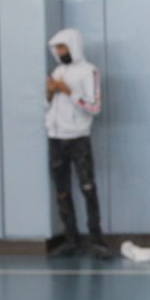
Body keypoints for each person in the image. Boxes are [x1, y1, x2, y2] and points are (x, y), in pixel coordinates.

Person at [45, 27, 111, 259]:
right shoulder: (57, 70)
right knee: (61, 191)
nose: (60, 51)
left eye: (63, 47)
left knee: (87, 188)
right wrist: (51, 92)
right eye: (57, 48)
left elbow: (94, 107)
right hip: (55, 138)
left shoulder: (88, 71)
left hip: (78, 139)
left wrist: (68, 91)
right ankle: (71, 239)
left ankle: (97, 240)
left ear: (73, 46)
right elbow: (51, 105)